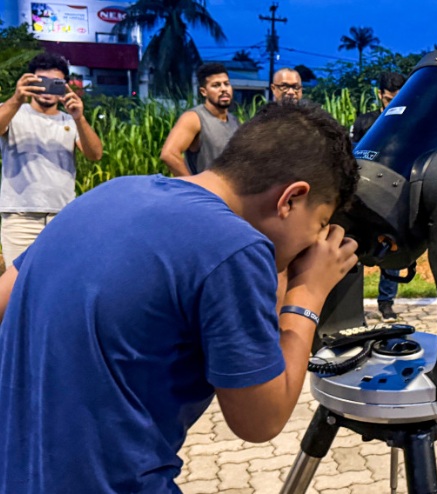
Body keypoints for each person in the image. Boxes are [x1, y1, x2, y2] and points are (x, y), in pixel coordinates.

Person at [0, 102, 360, 492]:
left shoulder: (111, 192)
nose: (317, 240)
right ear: (290, 198)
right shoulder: (234, 248)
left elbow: (6, 297)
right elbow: (261, 422)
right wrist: (308, 292)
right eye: (321, 222)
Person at [0, 52, 103, 269]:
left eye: (55, 83)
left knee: (57, 280)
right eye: (41, 82)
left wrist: (80, 117)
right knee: (18, 285)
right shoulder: (14, 111)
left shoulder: (70, 119)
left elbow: (95, 154)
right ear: (29, 81)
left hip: (62, 216)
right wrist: (17, 98)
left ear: (65, 85)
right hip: (20, 217)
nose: (47, 89)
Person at [350, 71, 407, 322]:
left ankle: (386, 303)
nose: (392, 104)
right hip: (362, 195)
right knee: (355, 251)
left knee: (390, 249)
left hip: (395, 196)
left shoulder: (410, 124)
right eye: (388, 99)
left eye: (398, 99)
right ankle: (352, 306)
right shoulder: (365, 123)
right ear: (380, 95)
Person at [160, 63, 238, 176]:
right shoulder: (194, 118)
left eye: (226, 84)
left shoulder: (234, 121)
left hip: (230, 192)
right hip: (206, 192)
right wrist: (194, 186)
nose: (223, 89)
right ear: (203, 91)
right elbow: (168, 154)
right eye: (216, 85)